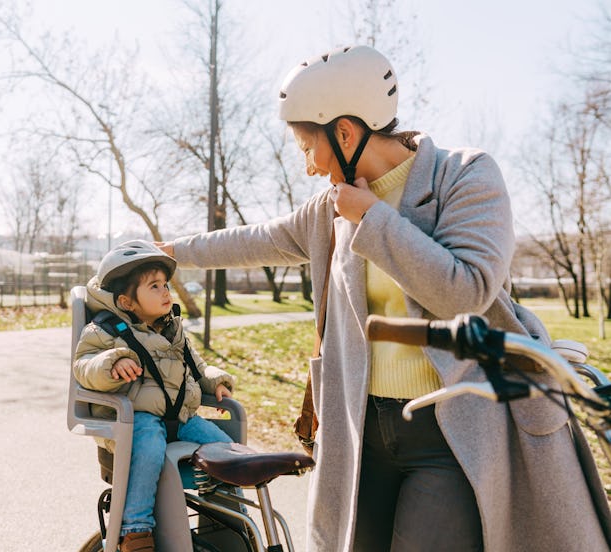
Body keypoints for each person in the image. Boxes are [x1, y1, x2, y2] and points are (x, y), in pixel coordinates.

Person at [158, 45, 611, 551]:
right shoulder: (332, 207)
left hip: (450, 434)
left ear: (346, 132)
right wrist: (169, 254)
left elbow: (467, 290)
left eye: (309, 148)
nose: (308, 167)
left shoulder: (465, 176)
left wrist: (374, 219)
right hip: (361, 432)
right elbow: (257, 239)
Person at [73, 239, 235, 552]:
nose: (165, 292)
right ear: (127, 301)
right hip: (135, 420)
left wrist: (214, 382)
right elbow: (83, 365)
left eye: (165, 285)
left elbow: (197, 366)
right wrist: (113, 362)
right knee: (148, 446)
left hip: (180, 418)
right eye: (154, 286)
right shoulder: (105, 329)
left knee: (227, 449)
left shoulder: (172, 328)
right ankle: (136, 531)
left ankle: (228, 517)